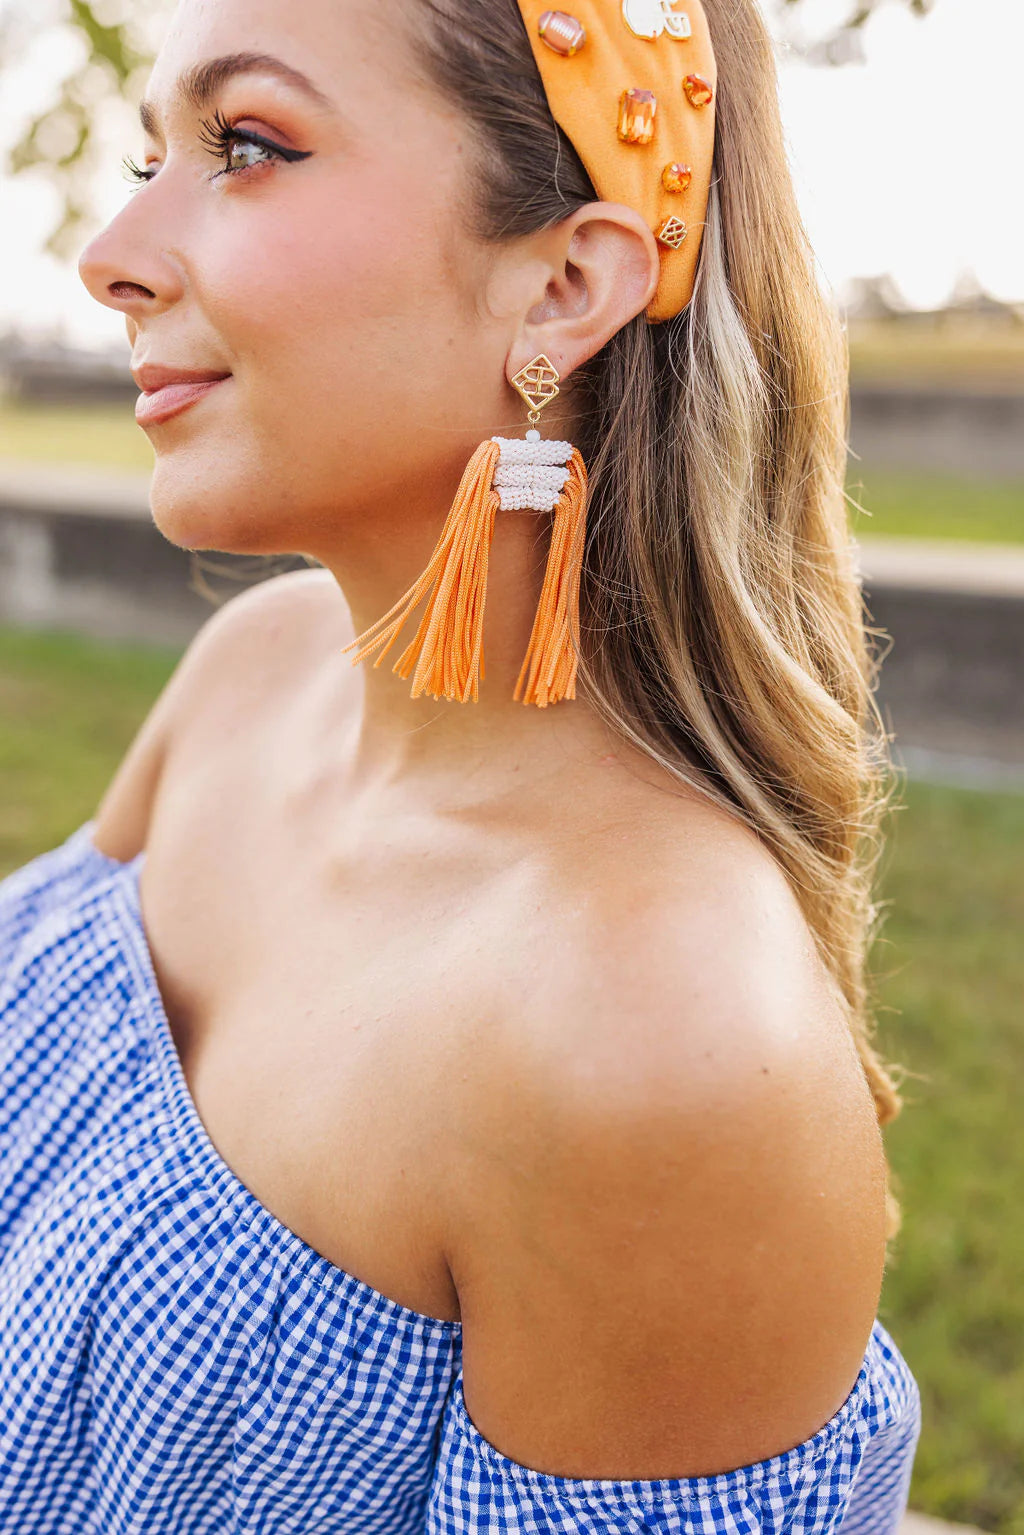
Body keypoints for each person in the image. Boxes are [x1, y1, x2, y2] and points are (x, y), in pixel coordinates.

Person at [0, 0, 920, 1529]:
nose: (110, 250)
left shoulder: (659, 1040)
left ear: (564, 285)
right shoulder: (253, 674)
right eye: (153, 151)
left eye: (247, 146)